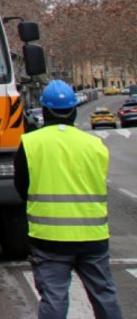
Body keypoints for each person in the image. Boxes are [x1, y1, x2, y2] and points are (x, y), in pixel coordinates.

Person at [13, 79, 123, 319]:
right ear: (74, 110)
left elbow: (21, 188)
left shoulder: (30, 144)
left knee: (54, 299)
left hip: (49, 238)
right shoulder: (95, 145)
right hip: (93, 236)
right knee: (104, 295)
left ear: (44, 110)